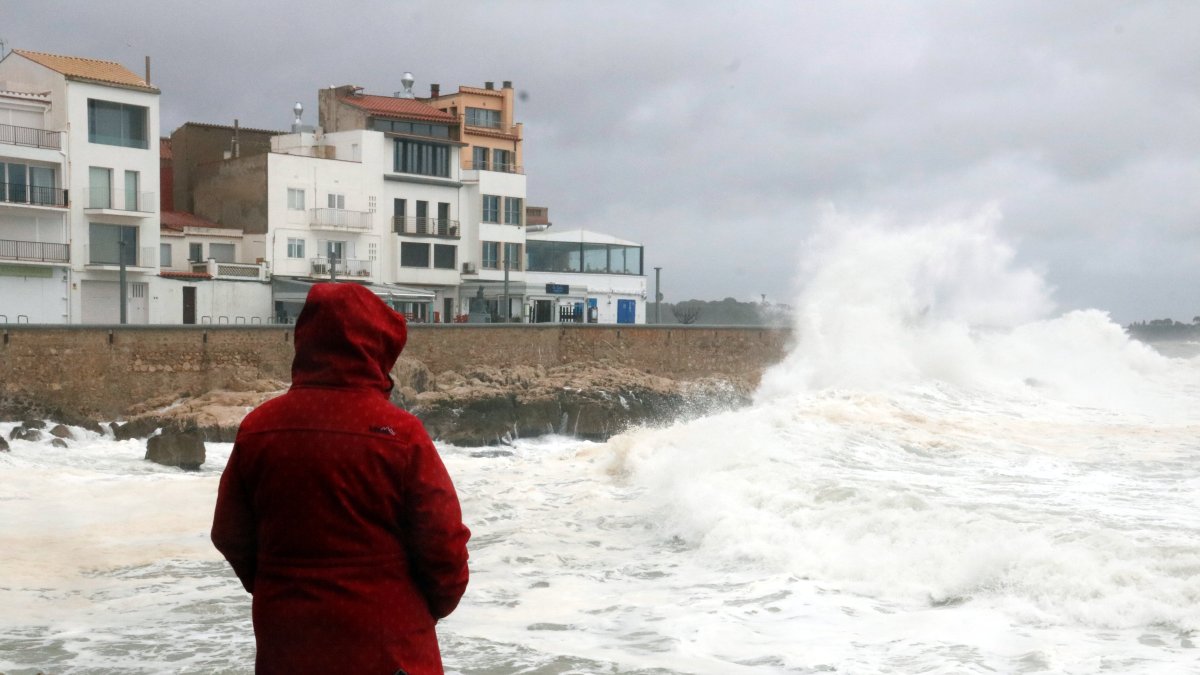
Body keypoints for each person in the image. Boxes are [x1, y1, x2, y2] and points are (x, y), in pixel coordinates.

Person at [212, 283, 470, 674]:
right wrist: (426, 608)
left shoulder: (258, 428)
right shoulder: (400, 434)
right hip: (389, 643)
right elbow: (443, 543)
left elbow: (229, 532)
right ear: (377, 347)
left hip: (289, 641)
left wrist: (279, 585)